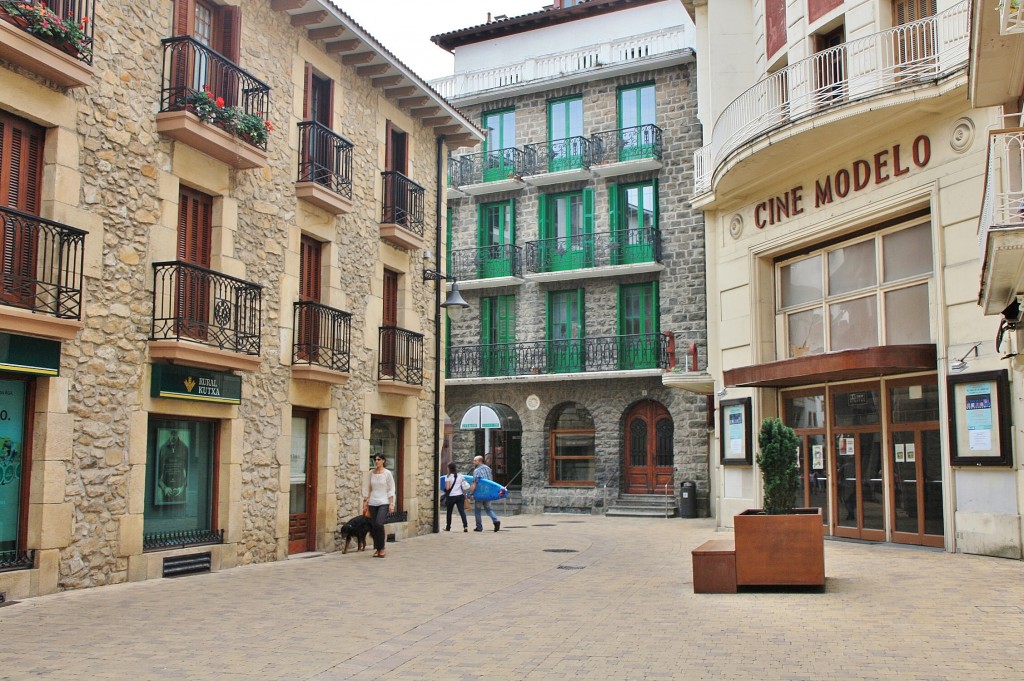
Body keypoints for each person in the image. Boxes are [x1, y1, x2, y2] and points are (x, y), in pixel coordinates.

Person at [362, 454, 395, 557]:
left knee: (379, 524)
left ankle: (382, 548)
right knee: (374, 526)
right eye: (375, 459)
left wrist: (391, 504)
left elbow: (391, 488)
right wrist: (366, 501)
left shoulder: (387, 473)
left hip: (383, 502)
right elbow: (368, 487)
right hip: (372, 502)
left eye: (378, 459)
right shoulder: (371, 473)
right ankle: (377, 548)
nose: (376, 461)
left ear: (383, 461)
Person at [469, 455, 500, 532]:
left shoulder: (476, 471)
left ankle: (479, 527)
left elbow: (474, 483)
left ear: (479, 461)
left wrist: (471, 493)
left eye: (475, 461)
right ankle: (495, 520)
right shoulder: (488, 468)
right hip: (487, 492)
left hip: (480, 492)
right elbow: (491, 481)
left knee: (477, 510)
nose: (474, 462)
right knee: (488, 508)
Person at [443, 462, 469, 532]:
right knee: (461, 511)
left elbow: (447, 488)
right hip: (460, 495)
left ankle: (448, 527)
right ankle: (465, 526)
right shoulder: (460, 476)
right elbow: (464, 486)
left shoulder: (448, 477)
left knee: (449, 512)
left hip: (451, 496)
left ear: (449, 468)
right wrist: (464, 494)